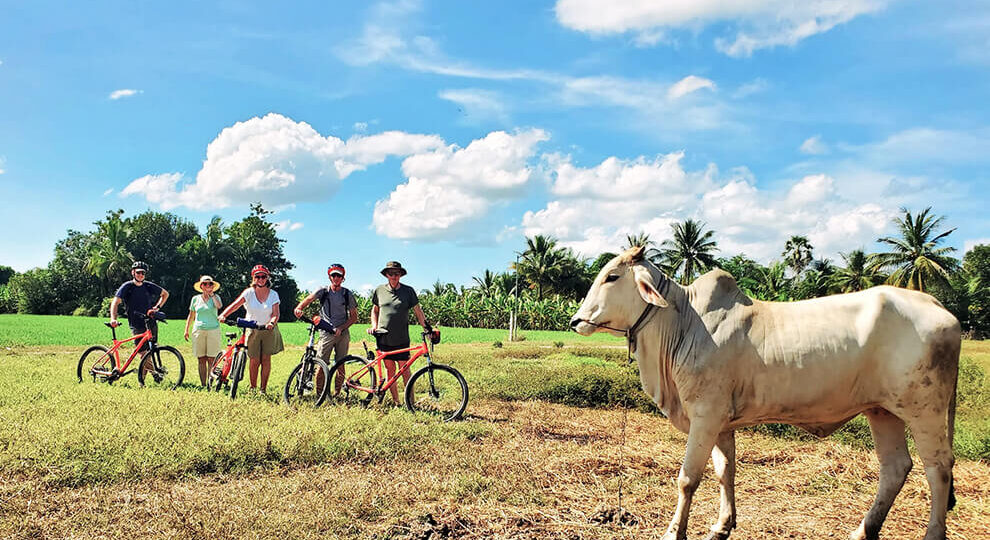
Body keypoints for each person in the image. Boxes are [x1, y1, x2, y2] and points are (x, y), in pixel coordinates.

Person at [370, 261, 430, 405]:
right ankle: (396, 401)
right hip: (384, 337)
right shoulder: (379, 290)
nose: (394, 276)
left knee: (405, 370)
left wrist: (426, 328)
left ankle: (410, 402)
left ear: (400, 275)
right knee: (390, 370)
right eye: (391, 273)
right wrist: (374, 326)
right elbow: (375, 310)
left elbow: (418, 311)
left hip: (402, 338)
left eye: (397, 273)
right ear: (386, 275)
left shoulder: (408, 291)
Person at [218, 264, 283, 394]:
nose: (260, 279)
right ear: (253, 278)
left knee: (265, 359)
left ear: (267, 278)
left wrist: (272, 322)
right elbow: (235, 305)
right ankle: (253, 388)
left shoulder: (273, 295)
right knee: (254, 360)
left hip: (268, 329)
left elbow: (276, 313)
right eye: (257, 276)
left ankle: (262, 389)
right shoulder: (249, 293)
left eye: (263, 276)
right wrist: (224, 314)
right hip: (252, 329)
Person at [294, 263, 358, 394]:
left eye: (339, 276)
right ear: (329, 276)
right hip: (326, 332)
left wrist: (341, 328)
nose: (336, 278)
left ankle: (337, 393)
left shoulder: (347, 294)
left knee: (340, 364)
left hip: (342, 333)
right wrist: (299, 307)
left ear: (343, 277)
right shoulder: (323, 291)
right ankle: (320, 394)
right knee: (321, 364)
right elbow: (309, 299)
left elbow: (353, 317)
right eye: (333, 275)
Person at [109, 261, 169, 351]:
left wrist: (157, 307)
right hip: (136, 323)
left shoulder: (148, 285)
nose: (140, 275)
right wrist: (113, 319)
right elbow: (115, 302)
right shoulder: (127, 286)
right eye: (138, 272)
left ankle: (153, 365)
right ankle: (150, 365)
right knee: (143, 352)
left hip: (150, 322)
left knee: (152, 349)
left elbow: (165, 294)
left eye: (143, 273)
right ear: (133, 272)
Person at [183, 275, 223, 386]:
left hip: (213, 330)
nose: (207, 286)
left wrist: (212, 295)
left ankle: (211, 384)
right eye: (205, 284)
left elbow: (219, 306)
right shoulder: (195, 299)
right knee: (201, 359)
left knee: (211, 359)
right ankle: (203, 384)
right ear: (201, 286)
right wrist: (186, 329)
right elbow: (191, 315)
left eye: (210, 284)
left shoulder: (216, 297)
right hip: (198, 330)